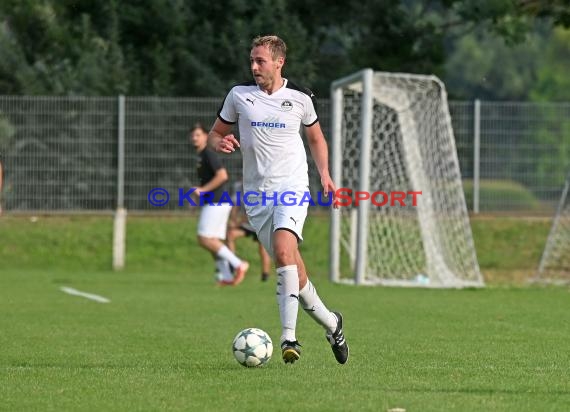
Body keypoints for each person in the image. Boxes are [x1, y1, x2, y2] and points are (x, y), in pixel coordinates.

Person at [208, 35, 349, 364]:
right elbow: (216, 134)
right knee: (295, 273)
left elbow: (316, 138)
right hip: (257, 197)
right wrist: (220, 143)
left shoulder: (300, 97)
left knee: (284, 251)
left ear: (278, 62)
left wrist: (325, 174)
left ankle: (289, 338)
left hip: (292, 188)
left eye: (260, 61)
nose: (254, 66)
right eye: (252, 60)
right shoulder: (239, 95)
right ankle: (332, 323)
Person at [189, 123, 249, 286]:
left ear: (206, 136)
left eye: (198, 135)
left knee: (204, 239)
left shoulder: (208, 153)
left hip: (217, 202)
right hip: (215, 202)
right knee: (213, 242)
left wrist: (202, 190)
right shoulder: (201, 155)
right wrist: (198, 197)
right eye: (193, 135)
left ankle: (239, 264)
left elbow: (222, 176)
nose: (195, 138)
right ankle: (227, 276)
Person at [226, 180, 272, 282]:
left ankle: (265, 275)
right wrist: (232, 221)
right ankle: (234, 265)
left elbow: (256, 213)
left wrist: (237, 222)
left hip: (259, 223)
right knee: (230, 234)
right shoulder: (238, 186)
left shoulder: (260, 188)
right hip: (246, 224)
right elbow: (235, 206)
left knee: (262, 248)